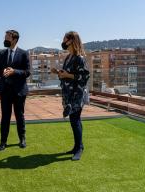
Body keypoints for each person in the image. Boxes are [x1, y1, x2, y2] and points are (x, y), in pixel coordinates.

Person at [51, 31, 90, 161]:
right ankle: (78, 146)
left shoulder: (80, 58)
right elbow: (67, 75)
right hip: (69, 93)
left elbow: (84, 77)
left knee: (75, 120)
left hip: (77, 94)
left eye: (64, 40)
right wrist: (59, 73)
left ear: (71, 41)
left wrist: (67, 75)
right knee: (75, 120)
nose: (63, 42)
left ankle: (79, 149)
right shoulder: (68, 57)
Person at [0, 30, 31, 151]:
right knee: (5, 116)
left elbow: (27, 72)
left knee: (19, 115)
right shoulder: (1, 54)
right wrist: (3, 72)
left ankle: (22, 139)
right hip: (5, 90)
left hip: (19, 91)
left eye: (7, 37)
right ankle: (3, 142)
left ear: (14, 39)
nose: (5, 39)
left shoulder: (24, 54)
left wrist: (14, 71)